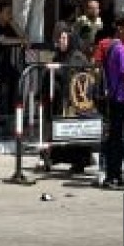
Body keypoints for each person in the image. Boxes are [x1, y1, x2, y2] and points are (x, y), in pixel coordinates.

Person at [47, 29, 91, 174]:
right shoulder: (59, 56)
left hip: (76, 102)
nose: (61, 41)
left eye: (64, 38)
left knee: (75, 134)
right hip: (62, 101)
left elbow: (74, 76)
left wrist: (59, 70)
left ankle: (80, 162)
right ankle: (53, 158)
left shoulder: (77, 57)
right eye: (60, 38)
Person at [102, 12, 124, 187]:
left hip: (115, 96)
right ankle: (115, 174)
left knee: (115, 136)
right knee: (121, 138)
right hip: (122, 97)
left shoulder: (112, 46)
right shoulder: (119, 49)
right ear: (120, 28)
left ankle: (113, 174)